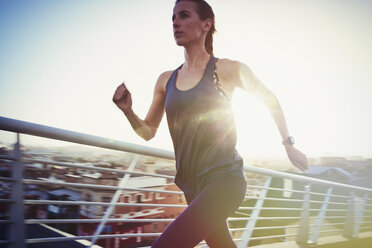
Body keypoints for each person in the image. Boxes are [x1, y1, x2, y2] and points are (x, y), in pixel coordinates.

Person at [113, 0, 308, 247]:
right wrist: (128, 111)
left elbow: (269, 98)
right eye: (173, 17)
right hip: (191, 187)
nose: (175, 22)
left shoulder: (225, 69)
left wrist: (288, 144)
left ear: (206, 24)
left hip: (225, 182)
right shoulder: (165, 80)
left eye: (183, 15)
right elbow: (148, 131)